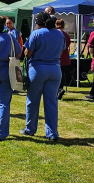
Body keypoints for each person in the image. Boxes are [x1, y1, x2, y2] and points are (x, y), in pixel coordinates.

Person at [22, 12, 65, 141]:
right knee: (51, 102)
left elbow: (28, 53)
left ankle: (30, 129)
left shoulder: (36, 33)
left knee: (33, 101)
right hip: (55, 69)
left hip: (38, 69)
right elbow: (61, 51)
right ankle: (52, 133)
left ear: (38, 22)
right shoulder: (60, 34)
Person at [56, 19, 75, 99]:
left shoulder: (55, 34)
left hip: (57, 58)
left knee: (56, 75)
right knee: (62, 75)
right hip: (65, 58)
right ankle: (60, 88)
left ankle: (58, 90)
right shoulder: (66, 35)